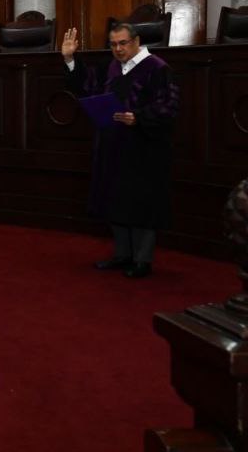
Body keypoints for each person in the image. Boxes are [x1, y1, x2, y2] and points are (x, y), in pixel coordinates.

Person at [63, 23, 178, 279]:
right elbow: (88, 86)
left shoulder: (157, 68)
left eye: (123, 43)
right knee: (116, 198)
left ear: (136, 41)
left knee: (142, 203)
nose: (118, 49)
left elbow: (168, 106)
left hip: (145, 148)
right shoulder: (113, 67)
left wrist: (138, 117)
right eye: (113, 44)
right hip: (114, 145)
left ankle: (142, 260)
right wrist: (70, 59)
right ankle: (122, 254)